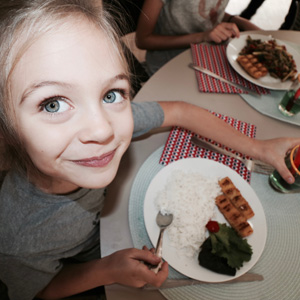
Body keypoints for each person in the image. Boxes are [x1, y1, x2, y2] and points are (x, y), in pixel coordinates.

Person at [0, 1, 299, 299]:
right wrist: (108, 271)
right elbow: (37, 291)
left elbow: (181, 111)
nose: (103, 129)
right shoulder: (18, 236)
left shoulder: (108, 125)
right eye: (53, 104)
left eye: (111, 94)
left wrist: (259, 148)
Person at [135, 0, 261, 75]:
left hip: (207, 60)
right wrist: (202, 36)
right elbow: (143, 40)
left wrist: (239, 21)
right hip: (167, 68)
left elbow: (206, 12)